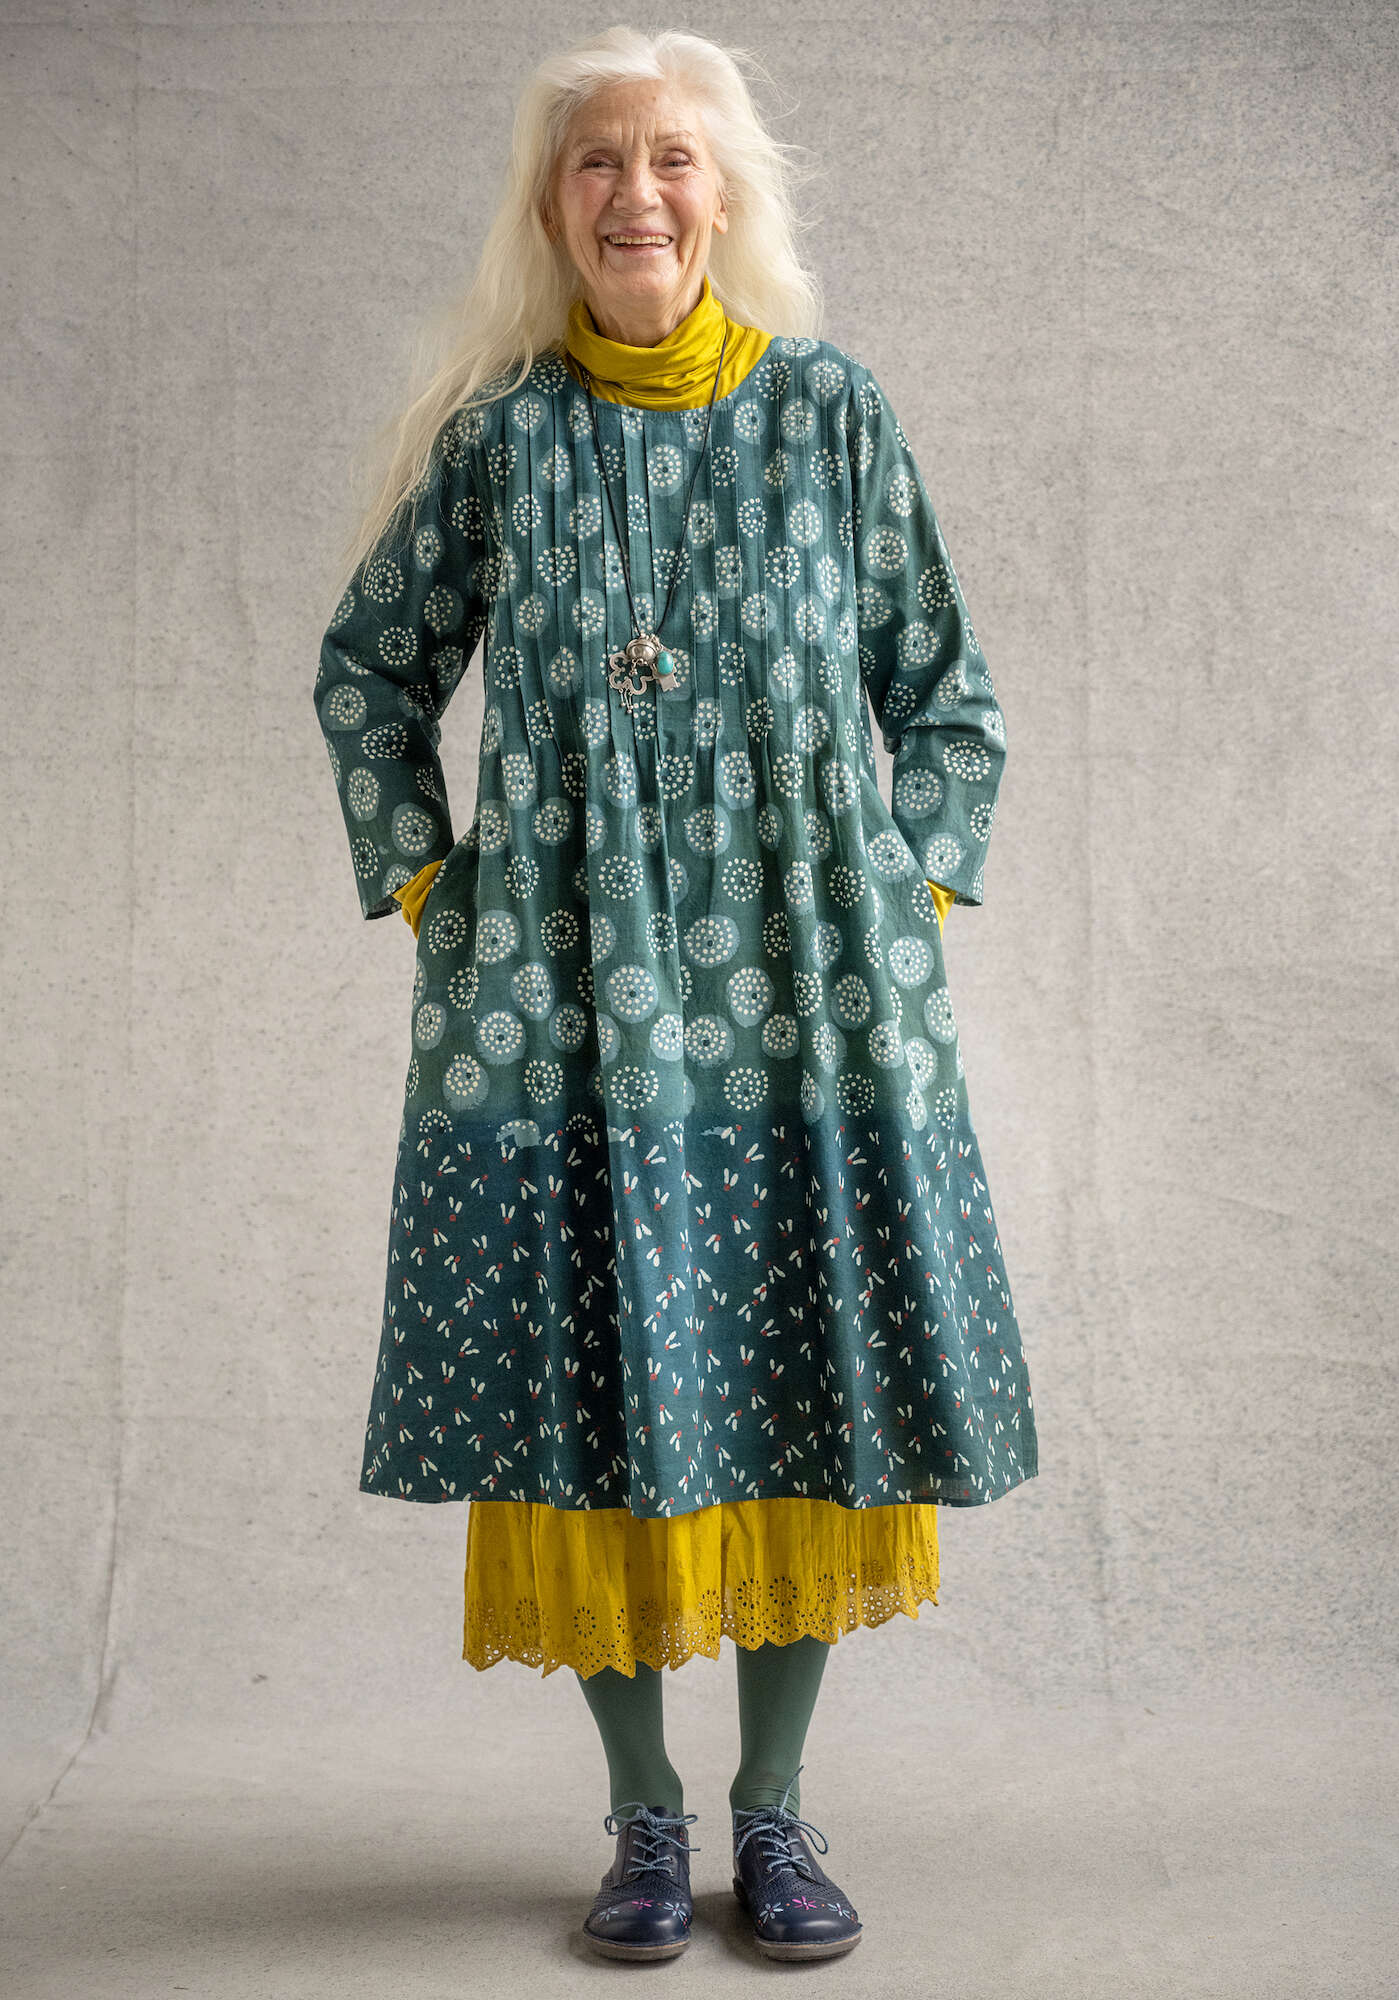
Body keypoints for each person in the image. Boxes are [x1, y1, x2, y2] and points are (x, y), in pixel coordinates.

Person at [313, 24, 1039, 1965]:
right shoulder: (501, 441)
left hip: (811, 999)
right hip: (563, 1010)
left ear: (724, 196)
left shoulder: (829, 413)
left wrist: (910, 889)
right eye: (596, 162)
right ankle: (642, 1818)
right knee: (594, 1391)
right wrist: (430, 882)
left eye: (670, 160)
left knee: (802, 1382)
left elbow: (947, 693)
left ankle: (773, 1812)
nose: (635, 193)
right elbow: (369, 671)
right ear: (551, 208)